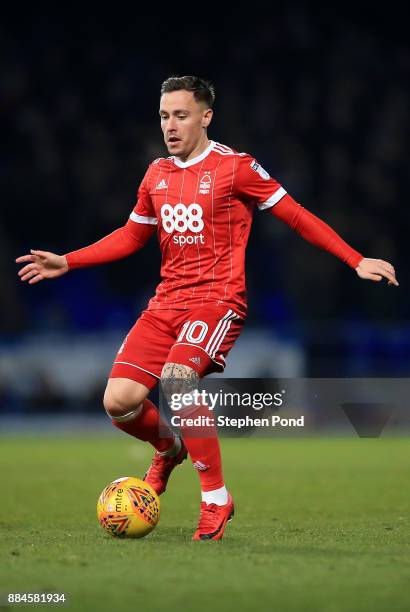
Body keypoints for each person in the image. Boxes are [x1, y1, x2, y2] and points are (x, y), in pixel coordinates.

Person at [16, 76, 399, 541]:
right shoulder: (156, 174)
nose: (170, 125)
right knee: (118, 402)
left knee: (178, 380)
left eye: (180, 115)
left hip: (217, 301)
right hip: (166, 303)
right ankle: (170, 447)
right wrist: (69, 260)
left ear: (205, 117)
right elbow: (132, 235)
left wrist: (355, 259)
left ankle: (215, 498)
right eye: (163, 116)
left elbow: (295, 214)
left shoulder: (235, 167)